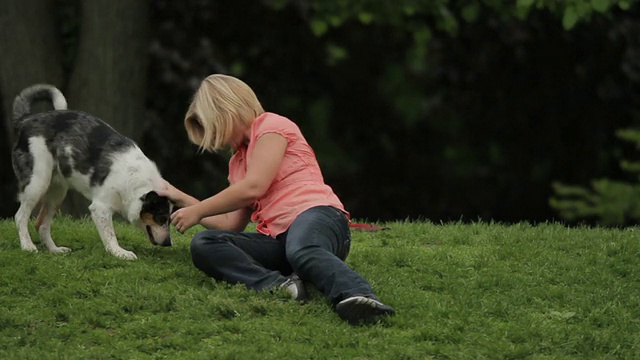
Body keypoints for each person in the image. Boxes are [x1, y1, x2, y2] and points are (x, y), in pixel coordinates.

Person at [160, 74, 395, 325]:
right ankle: (281, 286)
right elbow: (231, 225)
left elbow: (254, 186)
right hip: (282, 243)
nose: (216, 141)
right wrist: (183, 199)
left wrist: (198, 211)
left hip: (318, 218)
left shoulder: (271, 126)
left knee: (302, 247)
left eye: (214, 128)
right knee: (205, 243)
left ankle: (358, 295)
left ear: (227, 110)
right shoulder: (237, 163)